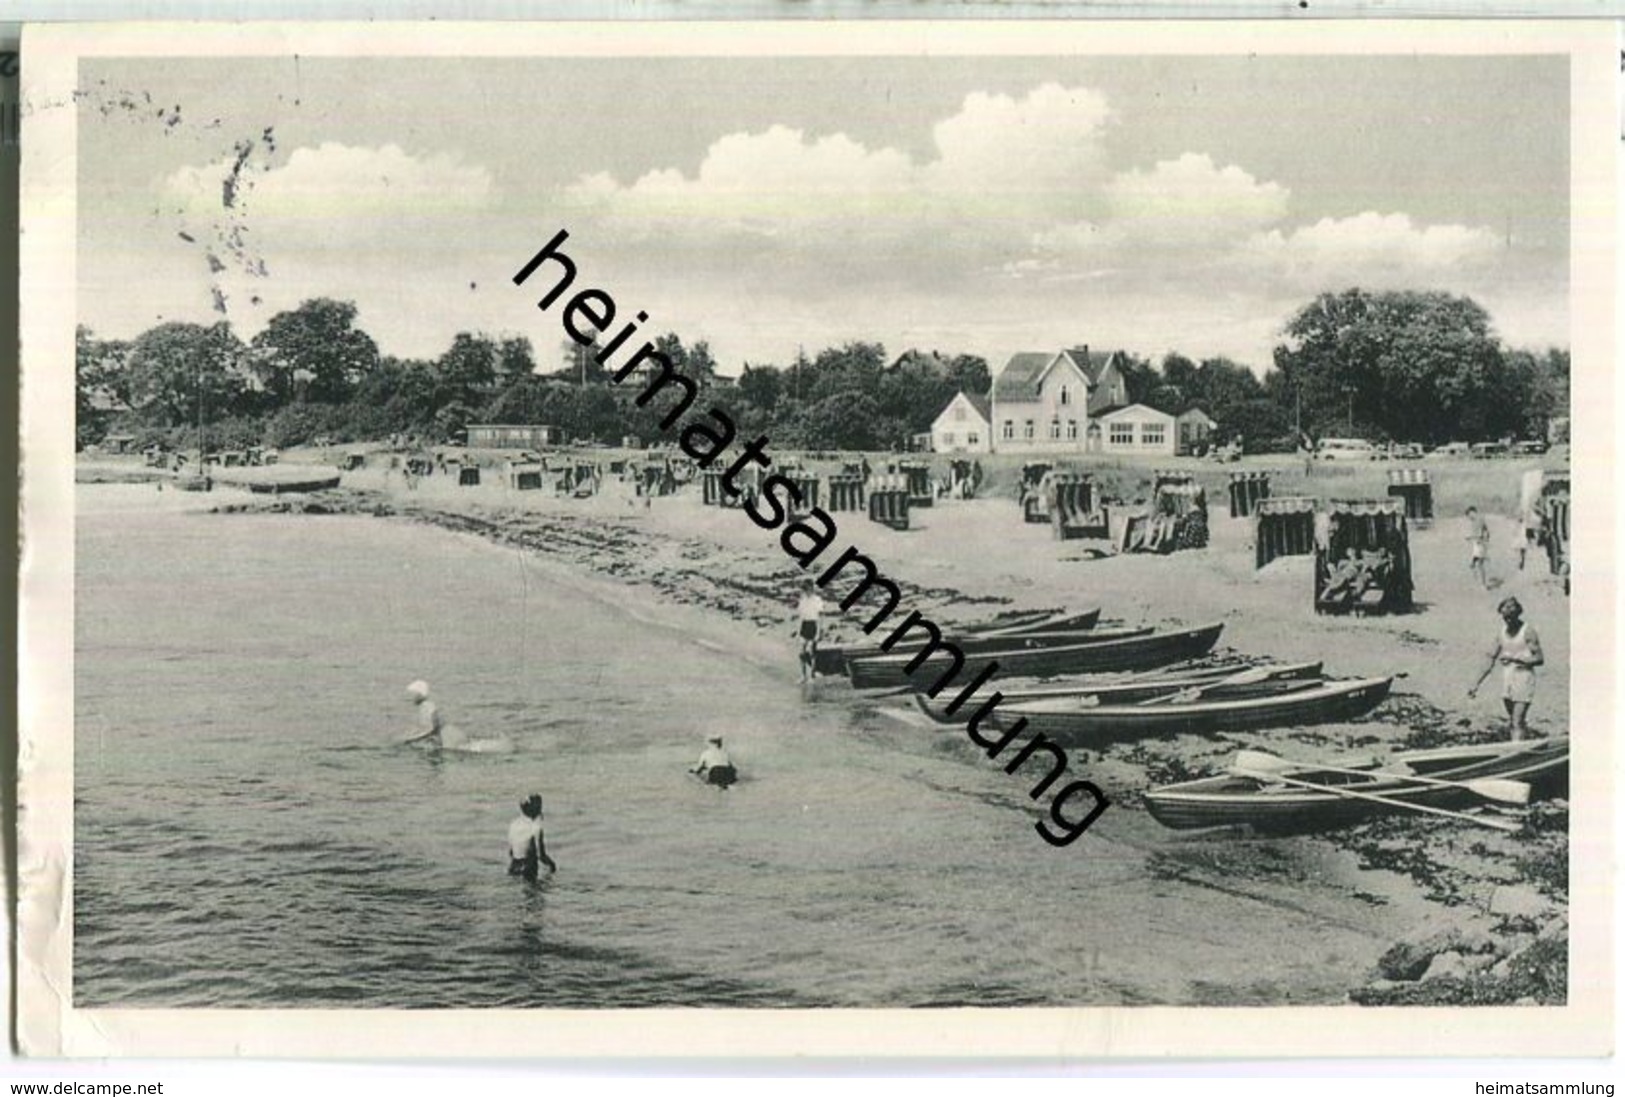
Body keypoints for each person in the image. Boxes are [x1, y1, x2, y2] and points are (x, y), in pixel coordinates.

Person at [1468, 596, 1545, 740]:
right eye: (1505, 618)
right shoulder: (1501, 632)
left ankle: (1518, 753)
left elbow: (1539, 658)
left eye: (1511, 617)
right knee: (1514, 720)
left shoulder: (1528, 631)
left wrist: (1518, 659)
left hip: (1524, 677)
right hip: (1508, 677)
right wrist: (1476, 683)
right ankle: (1524, 743)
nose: (1508, 620)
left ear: (1518, 614)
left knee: (1516, 720)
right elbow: (1490, 658)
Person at [401, 680, 470, 750]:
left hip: (438, 736)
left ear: (420, 695)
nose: (412, 699)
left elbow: (433, 727)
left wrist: (414, 740)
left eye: (414, 695)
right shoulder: (427, 705)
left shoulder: (426, 706)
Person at [506, 793, 557, 880]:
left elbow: (511, 852)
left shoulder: (514, 824)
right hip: (528, 869)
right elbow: (541, 855)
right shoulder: (536, 828)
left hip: (513, 867)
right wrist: (552, 866)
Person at [795, 579, 825, 682]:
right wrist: (798, 632)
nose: (806, 591)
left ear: (812, 588)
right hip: (805, 624)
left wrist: (819, 631)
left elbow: (820, 616)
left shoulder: (817, 600)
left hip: (814, 624)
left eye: (807, 589)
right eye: (804, 589)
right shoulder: (802, 600)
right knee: (801, 652)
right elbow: (801, 617)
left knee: (812, 651)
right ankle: (803, 675)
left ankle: (812, 674)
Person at [1464, 505, 1490, 589]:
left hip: (1480, 544)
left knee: (1480, 564)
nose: (1469, 518)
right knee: (1474, 563)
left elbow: (1480, 534)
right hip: (1478, 544)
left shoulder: (1479, 520)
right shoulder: (1476, 520)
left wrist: (1470, 537)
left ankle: (1483, 584)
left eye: (1469, 515)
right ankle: (1478, 579)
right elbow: (1486, 532)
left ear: (1473, 512)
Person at [1517, 500, 1544, 572]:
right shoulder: (1532, 514)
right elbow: (1521, 520)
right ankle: (1523, 561)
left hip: (1530, 531)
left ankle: (1524, 561)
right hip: (1528, 530)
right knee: (1525, 547)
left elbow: (1521, 520)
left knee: (1526, 547)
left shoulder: (1535, 514)